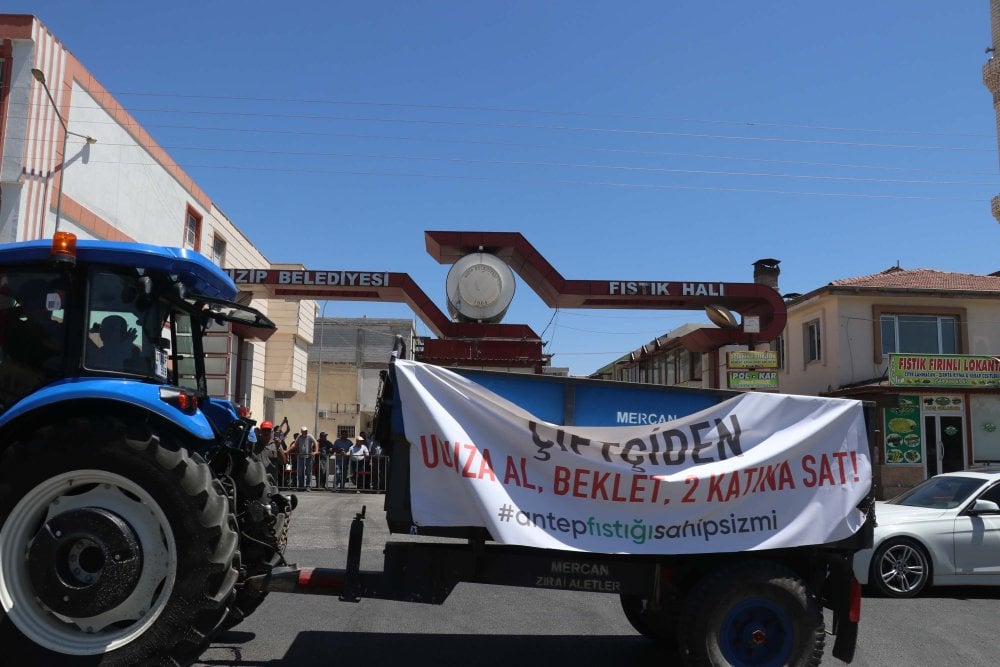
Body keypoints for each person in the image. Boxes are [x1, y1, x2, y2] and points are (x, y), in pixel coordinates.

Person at [290, 426, 318, 490]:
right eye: (304, 431)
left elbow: (315, 443)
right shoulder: (299, 437)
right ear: (301, 432)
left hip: (309, 457)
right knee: (300, 472)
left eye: (306, 431)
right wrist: (289, 450)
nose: (305, 432)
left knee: (309, 472)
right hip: (301, 457)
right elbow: (294, 444)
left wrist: (315, 451)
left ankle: (308, 486)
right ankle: (301, 486)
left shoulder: (310, 436)